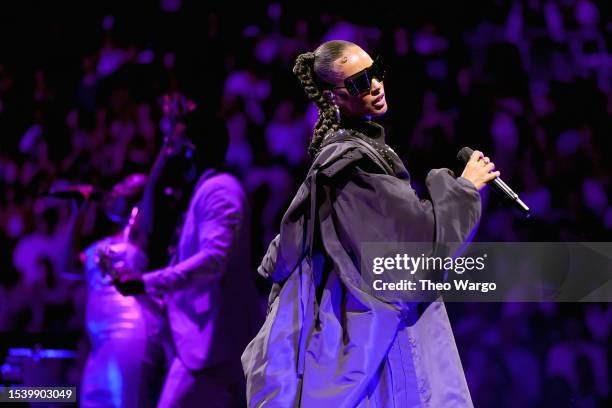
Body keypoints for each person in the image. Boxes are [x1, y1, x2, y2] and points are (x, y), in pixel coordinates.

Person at [242, 40, 499, 407]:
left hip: (368, 321)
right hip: (376, 333)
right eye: (361, 82)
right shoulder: (351, 165)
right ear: (335, 99)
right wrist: (462, 188)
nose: (376, 84)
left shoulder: (350, 156)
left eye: (375, 71)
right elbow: (416, 249)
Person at [113, 107, 264, 407]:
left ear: (192, 151)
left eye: (175, 146)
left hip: (212, 347)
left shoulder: (219, 190)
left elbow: (213, 261)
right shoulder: (208, 189)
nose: (170, 154)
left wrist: (146, 282)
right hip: (210, 346)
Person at [61, 175, 170, 408]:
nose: (115, 190)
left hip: (129, 331)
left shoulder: (145, 235)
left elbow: (154, 184)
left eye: (126, 187)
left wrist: (168, 145)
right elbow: (68, 266)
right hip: (99, 342)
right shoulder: (107, 240)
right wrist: (78, 212)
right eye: (117, 185)